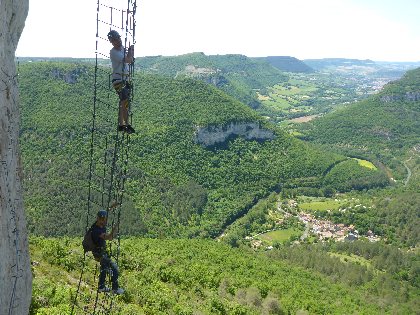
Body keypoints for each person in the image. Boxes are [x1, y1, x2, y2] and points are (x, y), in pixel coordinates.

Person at [91, 205, 124, 295]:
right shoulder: (96, 231)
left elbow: (106, 210)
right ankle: (115, 289)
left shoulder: (98, 224)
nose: (104, 221)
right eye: (102, 219)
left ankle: (101, 287)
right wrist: (115, 227)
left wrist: (113, 206)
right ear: (98, 219)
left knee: (104, 268)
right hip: (99, 254)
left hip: (99, 252)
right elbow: (110, 237)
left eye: (104, 219)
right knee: (114, 268)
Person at [107, 30, 135, 134]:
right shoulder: (113, 52)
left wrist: (129, 52)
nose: (118, 41)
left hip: (124, 79)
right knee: (125, 101)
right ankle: (126, 125)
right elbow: (128, 60)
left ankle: (121, 124)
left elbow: (129, 59)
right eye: (115, 40)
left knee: (123, 102)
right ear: (112, 42)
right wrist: (130, 51)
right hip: (119, 80)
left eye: (118, 38)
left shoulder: (122, 49)